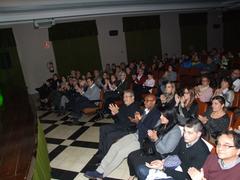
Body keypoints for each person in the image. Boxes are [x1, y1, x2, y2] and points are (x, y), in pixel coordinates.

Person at [84, 94, 161, 179]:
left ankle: (102, 174)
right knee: (115, 146)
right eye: (145, 100)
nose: (145, 102)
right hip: (136, 134)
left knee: (121, 153)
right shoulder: (146, 110)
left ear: (154, 102)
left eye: (147, 101)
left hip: (142, 141)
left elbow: (148, 131)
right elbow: (138, 125)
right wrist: (136, 120)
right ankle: (99, 170)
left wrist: (138, 121)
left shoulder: (156, 114)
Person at [136, 118, 210, 180]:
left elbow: (187, 177)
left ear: (198, 134)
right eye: (184, 131)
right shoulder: (184, 139)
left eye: (189, 133)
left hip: (181, 175)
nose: (185, 135)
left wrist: (163, 168)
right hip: (174, 166)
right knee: (140, 168)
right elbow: (174, 153)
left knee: (143, 171)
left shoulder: (202, 153)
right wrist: (162, 161)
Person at [127, 108, 182, 180]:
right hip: (152, 149)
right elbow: (152, 134)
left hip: (162, 156)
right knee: (131, 156)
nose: (161, 117)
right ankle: (132, 175)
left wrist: (155, 138)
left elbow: (165, 150)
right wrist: (151, 136)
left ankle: (140, 175)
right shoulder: (161, 123)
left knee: (139, 165)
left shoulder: (175, 131)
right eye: (161, 115)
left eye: (164, 116)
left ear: (171, 117)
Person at [95, 90, 141, 160]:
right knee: (103, 128)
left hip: (129, 129)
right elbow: (118, 119)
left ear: (133, 98)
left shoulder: (135, 108)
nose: (124, 99)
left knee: (110, 136)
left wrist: (117, 113)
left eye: (126, 97)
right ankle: (101, 150)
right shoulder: (124, 105)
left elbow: (127, 122)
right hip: (120, 125)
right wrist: (114, 114)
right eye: (124, 97)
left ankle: (105, 156)